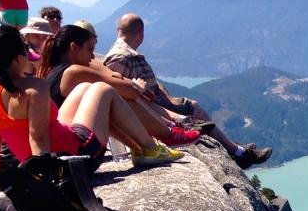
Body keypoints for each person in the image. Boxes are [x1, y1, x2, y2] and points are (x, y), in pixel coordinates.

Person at [0, 26, 183, 200]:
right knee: (103, 89)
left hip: (52, 154)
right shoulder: (34, 88)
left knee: (84, 88)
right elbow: (38, 137)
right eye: (25, 51)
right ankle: (150, 149)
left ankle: (141, 148)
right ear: (17, 59)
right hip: (77, 160)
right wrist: (48, 182)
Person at [104, 13, 272, 168]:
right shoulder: (120, 57)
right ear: (141, 34)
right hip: (152, 108)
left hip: (156, 102)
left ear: (119, 30)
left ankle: (236, 149)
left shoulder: (124, 53)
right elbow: (120, 94)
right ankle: (239, 153)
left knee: (193, 107)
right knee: (195, 114)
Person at [39, 24, 200, 149]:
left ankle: (160, 137)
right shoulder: (74, 72)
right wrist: (133, 85)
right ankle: (167, 135)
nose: (92, 56)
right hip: (75, 146)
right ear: (74, 48)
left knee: (109, 97)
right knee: (115, 95)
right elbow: (129, 91)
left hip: (59, 142)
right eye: (89, 49)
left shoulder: (53, 72)